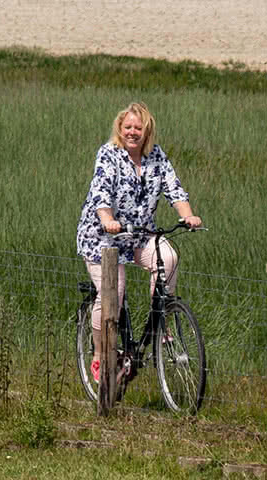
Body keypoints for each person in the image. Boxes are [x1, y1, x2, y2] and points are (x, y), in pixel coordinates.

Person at [75, 102, 203, 380]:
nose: (133, 132)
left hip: (140, 232)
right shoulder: (109, 154)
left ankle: (162, 325)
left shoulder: (156, 156)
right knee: (114, 293)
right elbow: (100, 193)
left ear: (147, 132)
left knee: (168, 259)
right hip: (103, 237)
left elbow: (174, 188)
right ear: (120, 129)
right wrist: (108, 220)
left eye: (138, 127)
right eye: (128, 127)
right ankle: (99, 355)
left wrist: (188, 216)